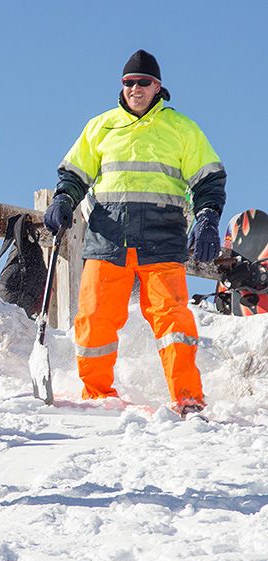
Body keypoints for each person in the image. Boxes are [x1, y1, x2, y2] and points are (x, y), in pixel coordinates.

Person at [44, 50, 226, 416]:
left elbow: (209, 180)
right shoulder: (101, 127)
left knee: (173, 319)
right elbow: (75, 175)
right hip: (107, 237)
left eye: (142, 82)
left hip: (162, 237)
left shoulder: (182, 129)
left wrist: (207, 217)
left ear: (158, 86)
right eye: (128, 82)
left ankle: (187, 396)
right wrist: (64, 199)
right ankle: (97, 393)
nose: (135, 88)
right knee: (93, 316)